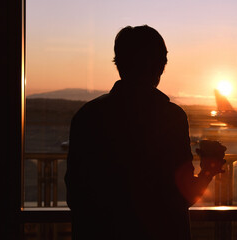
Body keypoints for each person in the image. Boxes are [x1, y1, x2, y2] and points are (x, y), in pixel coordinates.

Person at [64, 25, 226, 240]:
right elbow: (181, 197)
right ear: (160, 65)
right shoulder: (170, 117)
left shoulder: (87, 116)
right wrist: (208, 169)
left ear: (119, 62)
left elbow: (75, 197)